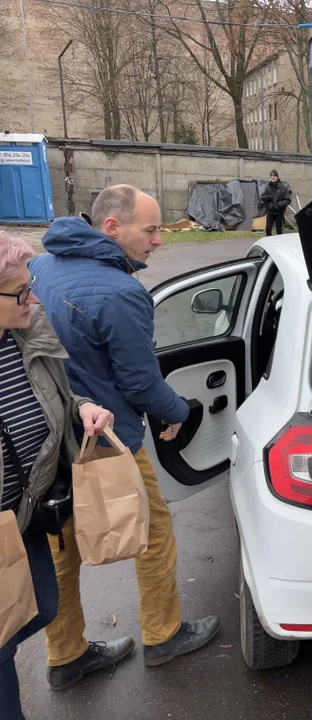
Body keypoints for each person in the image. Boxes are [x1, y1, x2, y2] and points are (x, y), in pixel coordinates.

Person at [30, 185, 221, 690]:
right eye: (151, 229)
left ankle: (65, 655)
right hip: (106, 442)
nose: (159, 240)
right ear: (112, 228)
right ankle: (164, 634)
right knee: (153, 533)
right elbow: (139, 383)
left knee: (59, 548)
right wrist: (180, 411)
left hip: (48, 441)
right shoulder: (122, 292)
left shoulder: (41, 269)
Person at [0, 231, 113, 719]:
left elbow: (60, 398)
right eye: (22, 292)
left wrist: (84, 409)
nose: (34, 299)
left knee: (42, 606)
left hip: (22, 518)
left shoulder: (27, 331)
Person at [260, 170, 291, 236]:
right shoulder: (268, 187)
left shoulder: (283, 188)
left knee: (278, 230)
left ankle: (279, 244)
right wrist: (268, 198)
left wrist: (278, 205)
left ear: (277, 177)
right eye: (271, 176)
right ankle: (268, 242)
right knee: (268, 229)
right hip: (270, 212)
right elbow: (262, 197)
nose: (273, 177)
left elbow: (287, 200)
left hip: (279, 212)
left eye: (274, 176)